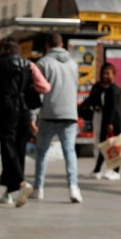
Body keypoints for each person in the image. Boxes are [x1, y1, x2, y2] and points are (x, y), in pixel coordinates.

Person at [0, 37, 49, 206]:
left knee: (8, 147)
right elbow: (45, 87)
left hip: (6, 110)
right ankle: (10, 191)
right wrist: (29, 87)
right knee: (19, 149)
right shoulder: (29, 65)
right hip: (25, 110)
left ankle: (21, 183)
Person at [32, 33, 82, 203]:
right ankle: (74, 187)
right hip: (70, 114)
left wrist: (33, 116)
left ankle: (38, 188)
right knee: (70, 151)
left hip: (48, 113)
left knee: (42, 152)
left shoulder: (43, 63)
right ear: (62, 44)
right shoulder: (73, 64)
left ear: (47, 46)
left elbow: (37, 92)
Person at [81, 62, 121, 180]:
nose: (106, 76)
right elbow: (90, 100)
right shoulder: (97, 87)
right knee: (103, 145)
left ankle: (116, 171)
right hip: (102, 119)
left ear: (114, 75)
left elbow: (114, 107)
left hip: (113, 121)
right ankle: (97, 170)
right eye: (104, 73)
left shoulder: (115, 89)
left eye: (108, 73)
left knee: (115, 146)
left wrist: (110, 123)